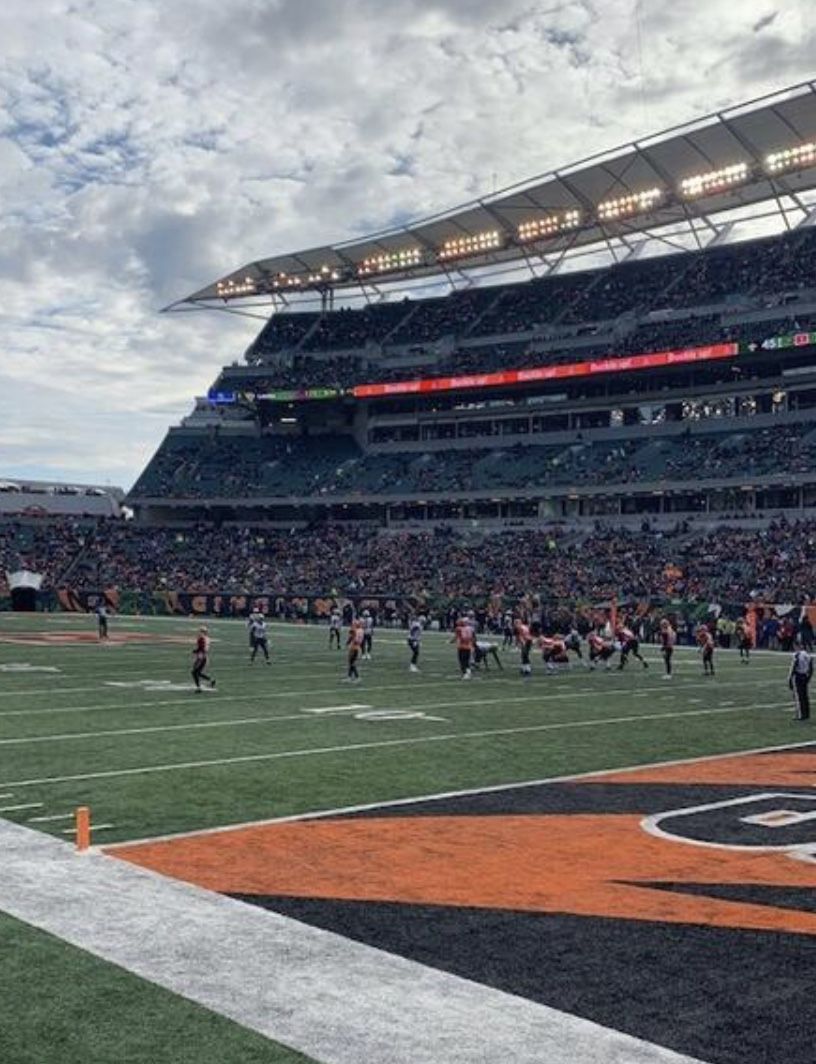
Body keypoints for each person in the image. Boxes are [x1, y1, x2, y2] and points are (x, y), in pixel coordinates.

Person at [788, 642, 813, 721]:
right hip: (805, 676)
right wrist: (809, 677)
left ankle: (800, 715)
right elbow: (811, 667)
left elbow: (794, 666)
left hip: (798, 676)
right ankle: (806, 713)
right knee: (805, 696)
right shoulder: (807, 655)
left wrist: (790, 678)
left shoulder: (797, 655)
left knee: (799, 697)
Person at [192, 625, 216, 693]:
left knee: (194, 672)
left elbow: (201, 648)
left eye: (200, 631)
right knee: (197, 672)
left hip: (201, 657)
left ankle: (198, 687)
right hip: (204, 657)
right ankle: (211, 680)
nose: (199, 632)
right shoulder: (207, 638)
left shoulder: (201, 638)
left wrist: (195, 651)